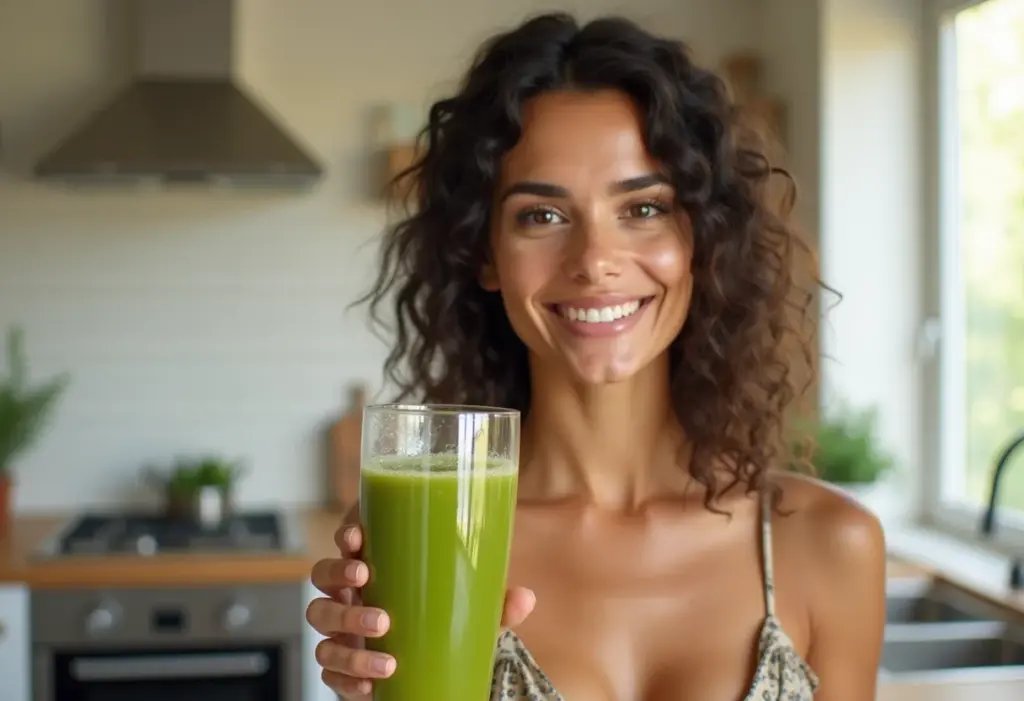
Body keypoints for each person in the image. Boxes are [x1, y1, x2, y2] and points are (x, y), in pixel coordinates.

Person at [306, 11, 886, 701]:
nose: (594, 262)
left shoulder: (830, 545)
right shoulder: (426, 530)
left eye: (643, 208)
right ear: (486, 253)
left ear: (701, 238)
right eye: (541, 215)